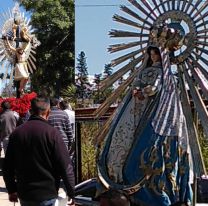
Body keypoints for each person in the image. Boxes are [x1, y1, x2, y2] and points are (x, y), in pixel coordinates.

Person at [97, 46, 192, 206]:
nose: (153, 57)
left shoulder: (167, 76)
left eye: (156, 54)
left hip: (156, 111)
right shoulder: (144, 71)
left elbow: (157, 88)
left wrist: (147, 91)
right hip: (137, 107)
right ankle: (117, 173)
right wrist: (136, 90)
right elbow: (137, 82)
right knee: (122, 137)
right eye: (151, 54)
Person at [3, 96, 75, 206]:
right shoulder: (52, 133)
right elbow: (65, 166)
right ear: (48, 112)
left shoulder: (17, 134)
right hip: (47, 194)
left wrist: (11, 189)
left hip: (25, 194)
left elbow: (7, 166)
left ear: (31, 111)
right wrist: (71, 192)